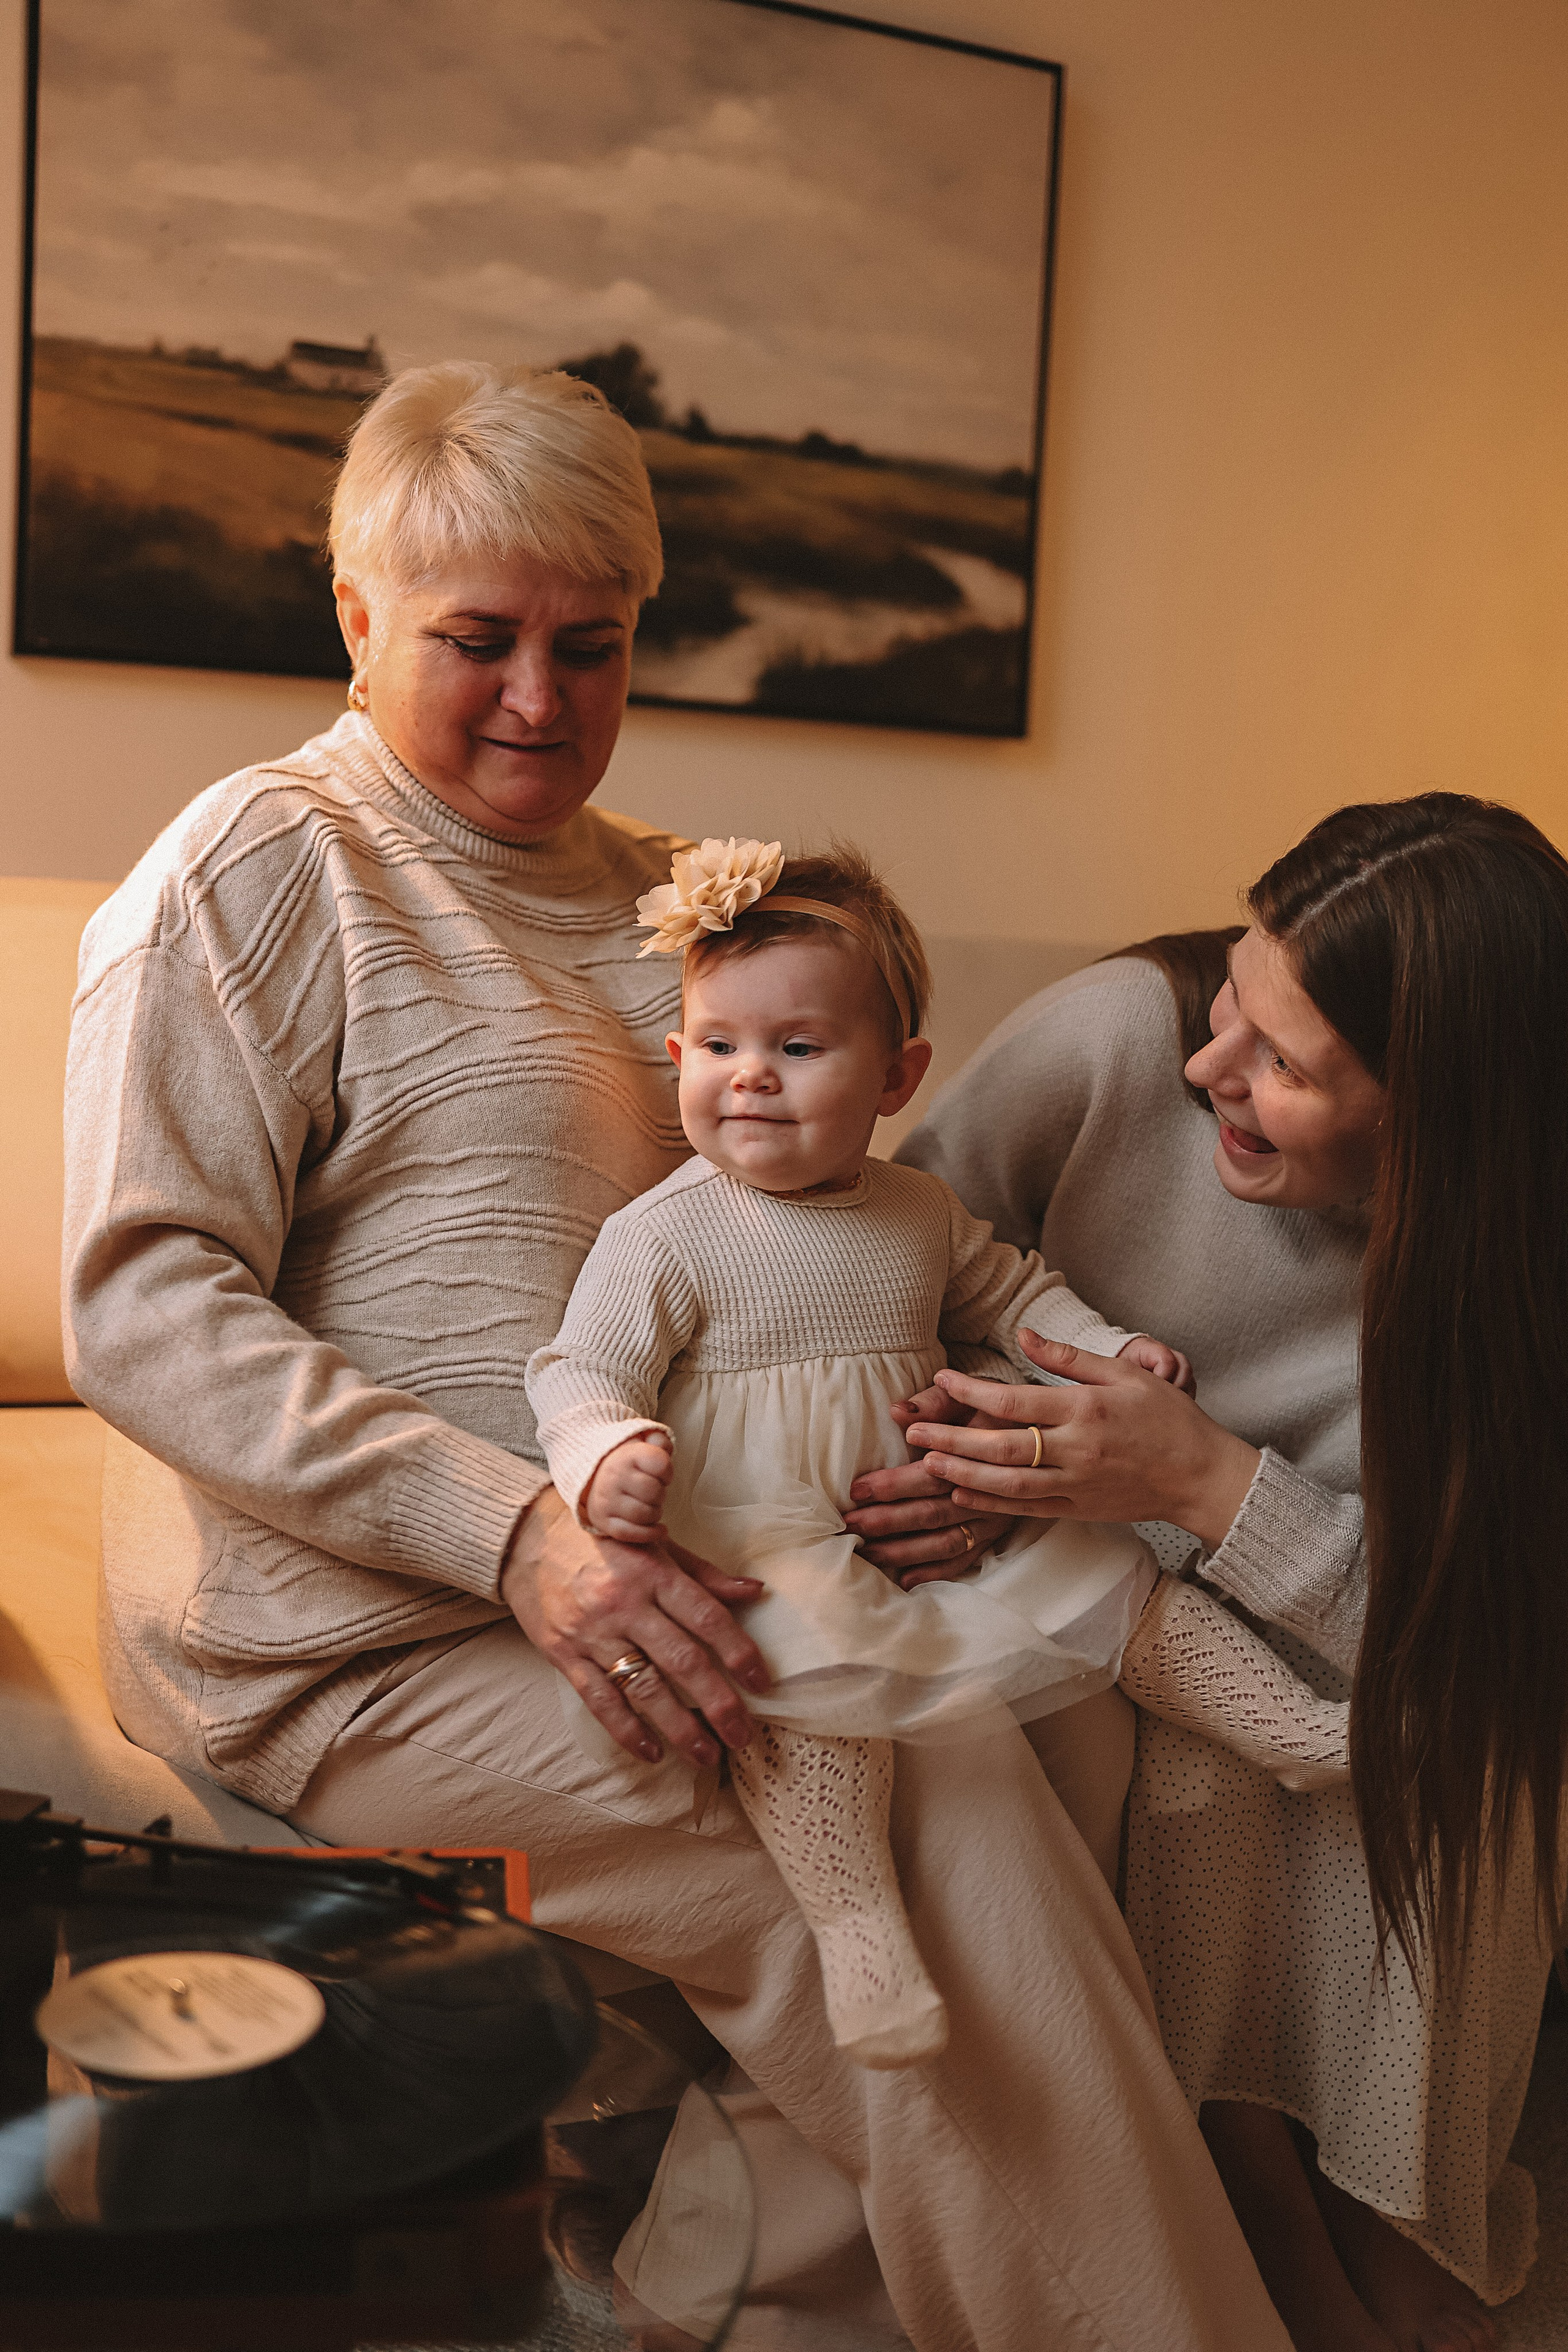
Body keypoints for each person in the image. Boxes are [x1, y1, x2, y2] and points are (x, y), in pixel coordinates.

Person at [61, 358, 1291, 2352]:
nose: (540, 697)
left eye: (594, 644)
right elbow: (142, 1305)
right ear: (358, 620)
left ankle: (809, 2294)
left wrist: (921, 1467)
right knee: (926, 1774)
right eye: (477, 642)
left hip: (704, 1558)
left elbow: (832, 1238)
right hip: (364, 1642)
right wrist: (522, 1539)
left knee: (1083, 1712)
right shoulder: (259, 872)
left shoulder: (688, 906)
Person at [878, 794, 1568, 2352]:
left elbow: (1484, 1661)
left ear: (1442, 1113)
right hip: (1088, 1603)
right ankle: (1257, 2197)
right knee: (1198, 1762)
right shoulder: (1117, 1043)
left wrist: (1207, 1481)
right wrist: (974, 1476)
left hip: (1363, 1660)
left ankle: (1361, 2202)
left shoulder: (1523, 1264)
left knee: (1438, 1771)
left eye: (1283, 1065)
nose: (1210, 1075)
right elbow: (872, 1271)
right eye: (1230, 1005)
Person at [527, 836, 1349, 2073]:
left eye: (796, 1049)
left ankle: (1293, 1728)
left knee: (1116, 1581)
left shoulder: (915, 1213)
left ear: (896, 1076)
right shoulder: (665, 1237)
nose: (748, 1079)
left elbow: (1012, 1293)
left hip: (932, 1522)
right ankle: (860, 1938)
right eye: (716, 1047)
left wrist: (1107, 1346)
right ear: (675, 1057)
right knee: (807, 1711)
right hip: (765, 1536)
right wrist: (605, 1454)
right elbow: (577, 1369)